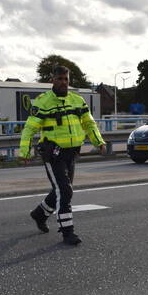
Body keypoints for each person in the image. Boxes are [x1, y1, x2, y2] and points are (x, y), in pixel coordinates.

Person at [18, 66, 106, 245]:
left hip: (72, 152)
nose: (63, 82)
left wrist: (99, 141)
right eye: (59, 79)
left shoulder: (77, 100)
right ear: (53, 80)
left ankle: (39, 214)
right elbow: (30, 128)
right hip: (53, 154)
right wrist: (24, 151)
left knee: (62, 190)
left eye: (66, 79)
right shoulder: (42, 102)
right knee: (65, 190)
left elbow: (89, 123)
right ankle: (67, 232)